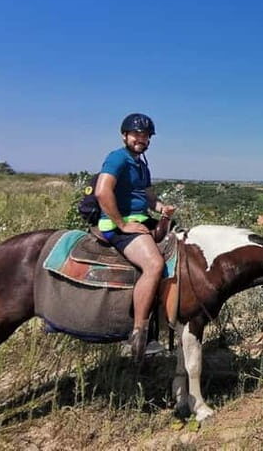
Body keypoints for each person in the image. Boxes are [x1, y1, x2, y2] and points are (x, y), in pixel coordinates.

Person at [95, 113, 176, 361]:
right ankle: (139, 334)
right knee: (154, 264)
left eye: (146, 136)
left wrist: (162, 208)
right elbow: (102, 191)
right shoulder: (117, 158)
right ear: (124, 135)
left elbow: (148, 196)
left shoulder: (141, 163)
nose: (141, 139)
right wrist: (122, 223)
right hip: (117, 224)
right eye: (136, 134)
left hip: (141, 219)